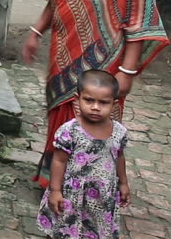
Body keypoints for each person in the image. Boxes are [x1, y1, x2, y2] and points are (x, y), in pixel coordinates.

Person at [23, 0, 169, 188]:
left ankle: (86, 190)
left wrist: (127, 72)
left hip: (103, 61)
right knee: (61, 117)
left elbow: (137, 23)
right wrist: (37, 32)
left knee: (91, 121)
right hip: (62, 53)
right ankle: (53, 180)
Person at [36, 70, 130, 239]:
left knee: (94, 232)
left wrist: (123, 183)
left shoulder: (119, 132)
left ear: (114, 104)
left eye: (103, 103)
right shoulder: (70, 131)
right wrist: (55, 190)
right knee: (63, 229)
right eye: (89, 100)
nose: (95, 107)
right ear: (77, 99)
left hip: (102, 197)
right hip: (72, 194)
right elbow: (59, 161)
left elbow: (119, 156)